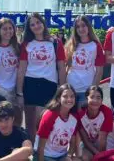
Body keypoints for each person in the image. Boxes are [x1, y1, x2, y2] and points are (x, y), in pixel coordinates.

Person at [17, 13, 66, 141]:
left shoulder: (55, 42)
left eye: (38, 22)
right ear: (30, 28)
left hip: (48, 84)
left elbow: (61, 67)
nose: (36, 26)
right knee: (30, 122)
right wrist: (19, 92)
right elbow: (21, 69)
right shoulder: (27, 44)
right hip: (30, 83)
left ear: (43, 23)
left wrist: (63, 89)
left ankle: (41, 149)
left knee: (42, 120)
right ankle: (32, 150)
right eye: (32, 24)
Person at [65, 15, 104, 107]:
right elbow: (66, 67)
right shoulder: (71, 45)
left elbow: (99, 71)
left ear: (88, 27)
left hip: (86, 90)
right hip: (72, 89)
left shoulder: (95, 45)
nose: (81, 29)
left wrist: (93, 91)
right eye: (78, 27)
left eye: (83, 25)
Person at [35, 84, 81, 161]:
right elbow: (41, 146)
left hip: (62, 156)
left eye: (72, 96)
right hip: (45, 155)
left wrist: (69, 156)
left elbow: (73, 143)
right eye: (65, 96)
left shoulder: (74, 118)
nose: (69, 99)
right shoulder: (50, 115)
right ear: (59, 98)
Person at [76, 85, 113, 159]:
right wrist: (98, 154)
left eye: (98, 98)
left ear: (102, 100)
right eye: (92, 97)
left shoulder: (107, 112)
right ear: (87, 98)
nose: (95, 101)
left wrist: (101, 156)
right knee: (85, 157)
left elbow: (102, 140)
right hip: (89, 144)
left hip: (105, 143)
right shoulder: (80, 115)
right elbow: (85, 141)